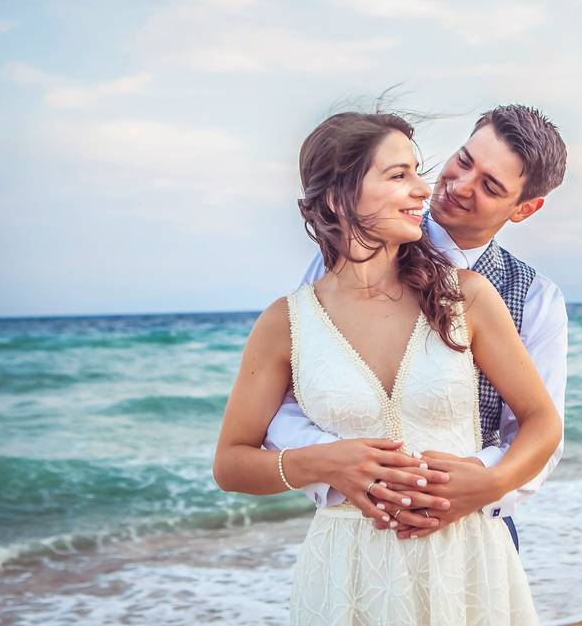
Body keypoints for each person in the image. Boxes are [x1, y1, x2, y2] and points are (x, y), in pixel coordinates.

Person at [213, 111, 561, 623]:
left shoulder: (497, 297)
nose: (440, 187)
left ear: (523, 208)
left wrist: (489, 483)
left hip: (464, 541)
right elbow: (252, 442)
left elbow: (543, 421)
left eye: (489, 185)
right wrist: (329, 463)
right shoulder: (295, 311)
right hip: (347, 564)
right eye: (402, 174)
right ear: (338, 197)